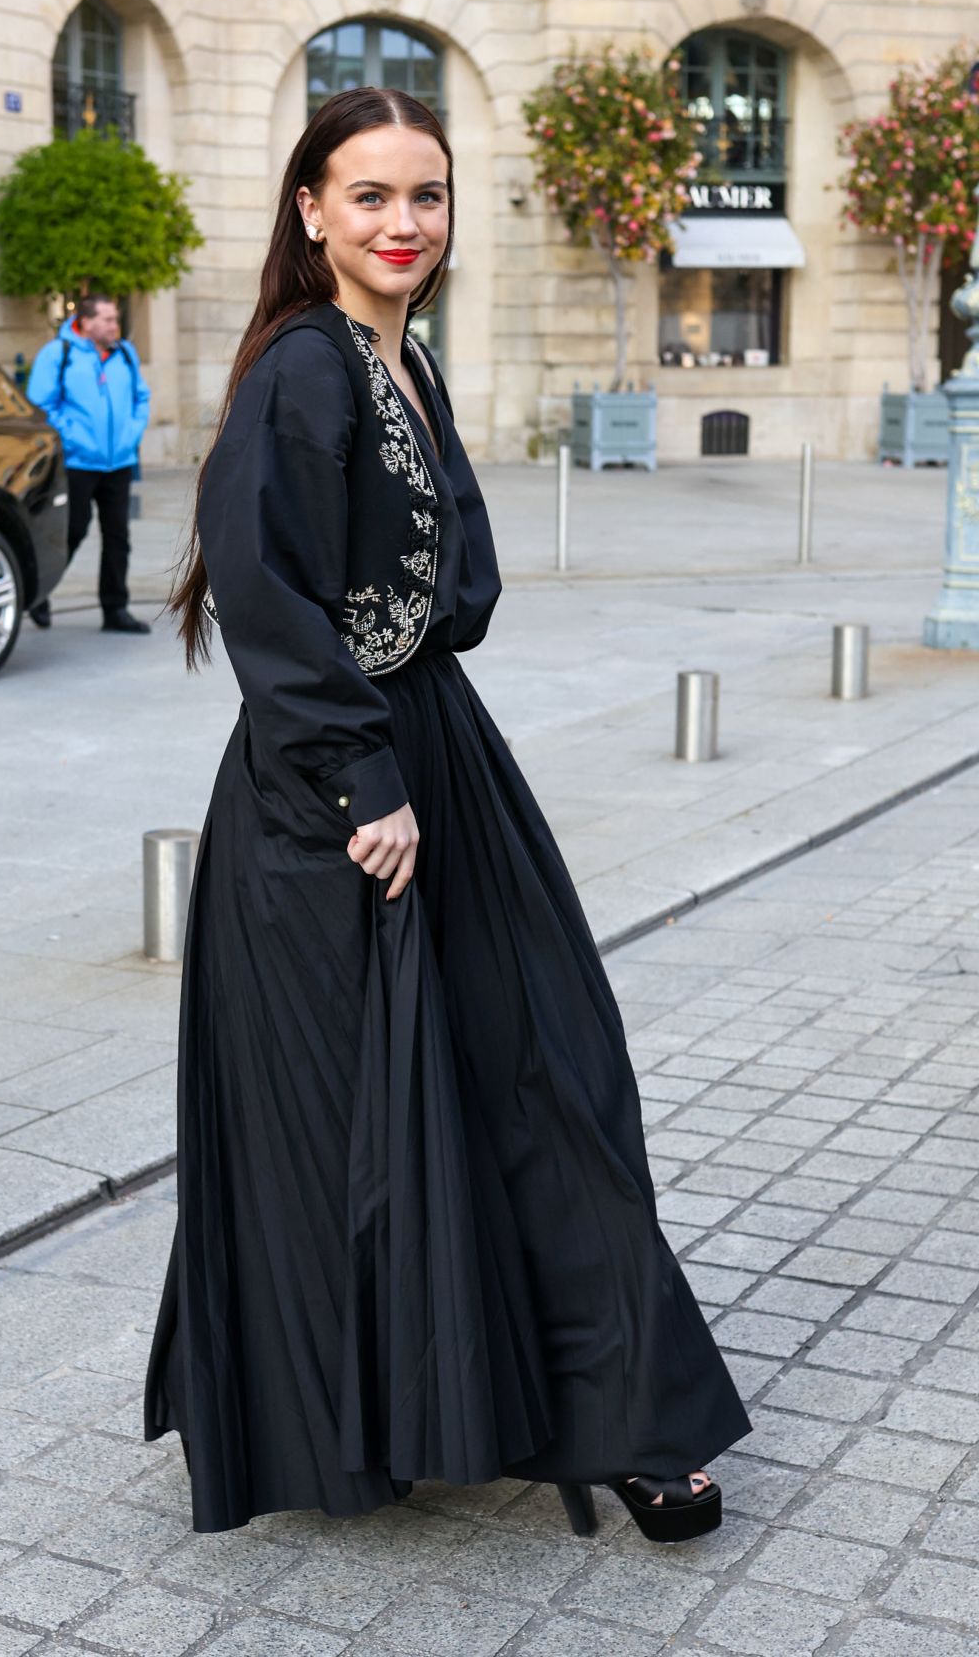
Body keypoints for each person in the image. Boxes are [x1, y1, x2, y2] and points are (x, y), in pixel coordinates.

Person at [145, 88, 750, 1543]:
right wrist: (365, 779)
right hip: (337, 788)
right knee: (373, 1114)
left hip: (434, 750)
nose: (404, 224)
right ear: (310, 212)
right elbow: (263, 588)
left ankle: (607, 1405)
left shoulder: (402, 361)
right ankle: (472, 1417)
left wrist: (407, 744)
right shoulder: (303, 368)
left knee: (544, 1073)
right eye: (369, 196)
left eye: (427, 195)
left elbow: (448, 595)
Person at [26, 293, 152, 633]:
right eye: (108, 319)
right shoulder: (59, 354)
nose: (115, 325)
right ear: (87, 321)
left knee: (117, 537)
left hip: (119, 462)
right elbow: (41, 406)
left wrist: (132, 433)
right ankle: (39, 594)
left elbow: (142, 397)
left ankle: (115, 609)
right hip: (77, 463)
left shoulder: (124, 353)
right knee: (72, 530)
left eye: (115, 318)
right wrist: (74, 439)